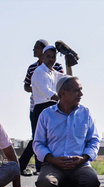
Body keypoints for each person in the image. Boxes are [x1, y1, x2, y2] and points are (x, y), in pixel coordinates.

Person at [33, 76, 101, 187]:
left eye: (81, 90)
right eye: (77, 90)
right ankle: (67, 184)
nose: (81, 94)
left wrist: (83, 158)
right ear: (63, 92)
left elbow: (94, 140)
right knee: (45, 185)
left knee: (92, 185)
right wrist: (52, 159)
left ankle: (65, 185)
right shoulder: (47, 114)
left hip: (80, 165)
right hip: (53, 165)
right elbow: (38, 143)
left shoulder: (86, 113)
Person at [20, 39, 64, 176]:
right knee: (38, 138)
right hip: (39, 106)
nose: (51, 59)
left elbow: (65, 80)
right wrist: (61, 99)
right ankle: (22, 165)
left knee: (47, 138)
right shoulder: (36, 70)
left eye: (53, 57)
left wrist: (69, 62)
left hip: (53, 106)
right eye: (48, 56)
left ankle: (41, 166)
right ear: (43, 56)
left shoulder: (54, 70)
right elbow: (44, 90)